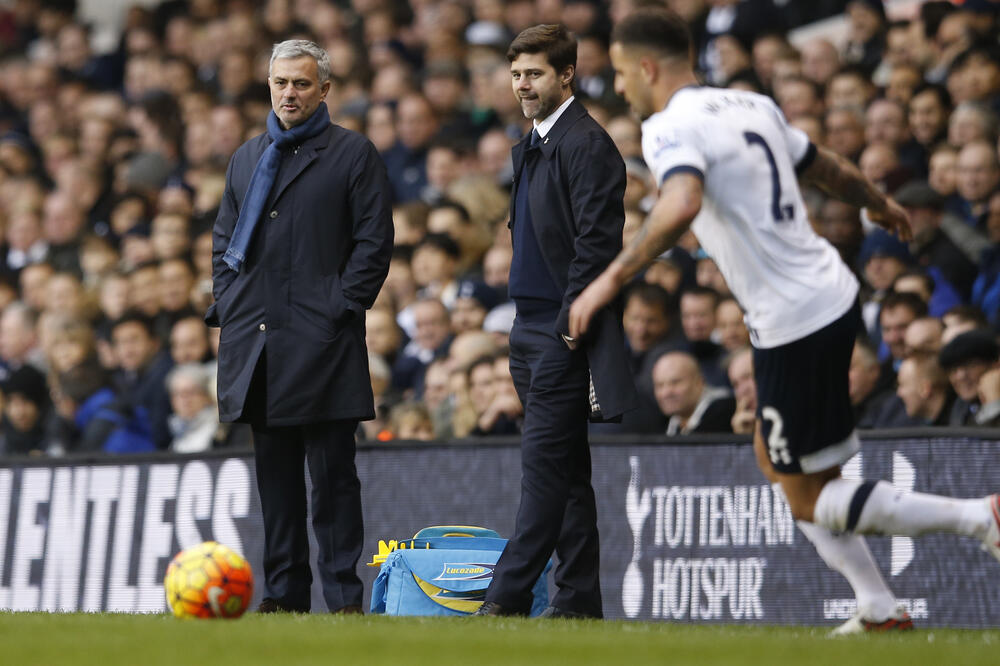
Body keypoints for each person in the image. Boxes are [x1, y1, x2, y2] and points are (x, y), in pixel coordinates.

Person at [571, 8, 1000, 632]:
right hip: (826, 294)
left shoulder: (668, 127)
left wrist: (609, 279)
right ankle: (877, 606)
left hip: (793, 318)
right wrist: (877, 202)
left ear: (645, 66)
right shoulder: (749, 105)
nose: (621, 88)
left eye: (618, 73)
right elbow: (823, 164)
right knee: (779, 463)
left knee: (807, 493)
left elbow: (683, 200)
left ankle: (979, 519)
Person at [207, 40, 392, 614]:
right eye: (281, 82)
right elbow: (222, 242)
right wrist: (231, 302)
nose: (290, 92)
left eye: (302, 84)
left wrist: (339, 307)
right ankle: (284, 597)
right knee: (277, 485)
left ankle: (342, 602)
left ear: (325, 90)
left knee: (334, 481)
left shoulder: (353, 154)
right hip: (258, 343)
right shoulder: (246, 157)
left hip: (324, 342)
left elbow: (374, 244)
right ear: (269, 84)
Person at [475, 24, 636, 620]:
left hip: (560, 331)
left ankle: (506, 597)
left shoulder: (586, 144)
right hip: (529, 328)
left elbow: (597, 245)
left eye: (534, 73)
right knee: (566, 475)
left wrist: (571, 325)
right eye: (516, 74)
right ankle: (579, 604)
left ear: (566, 74)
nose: (523, 85)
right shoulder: (533, 144)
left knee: (543, 470)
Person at [652, 351, 734, 435]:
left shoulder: (725, 410)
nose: (666, 393)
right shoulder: (669, 423)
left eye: (675, 382)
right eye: (660, 385)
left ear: (699, 383)